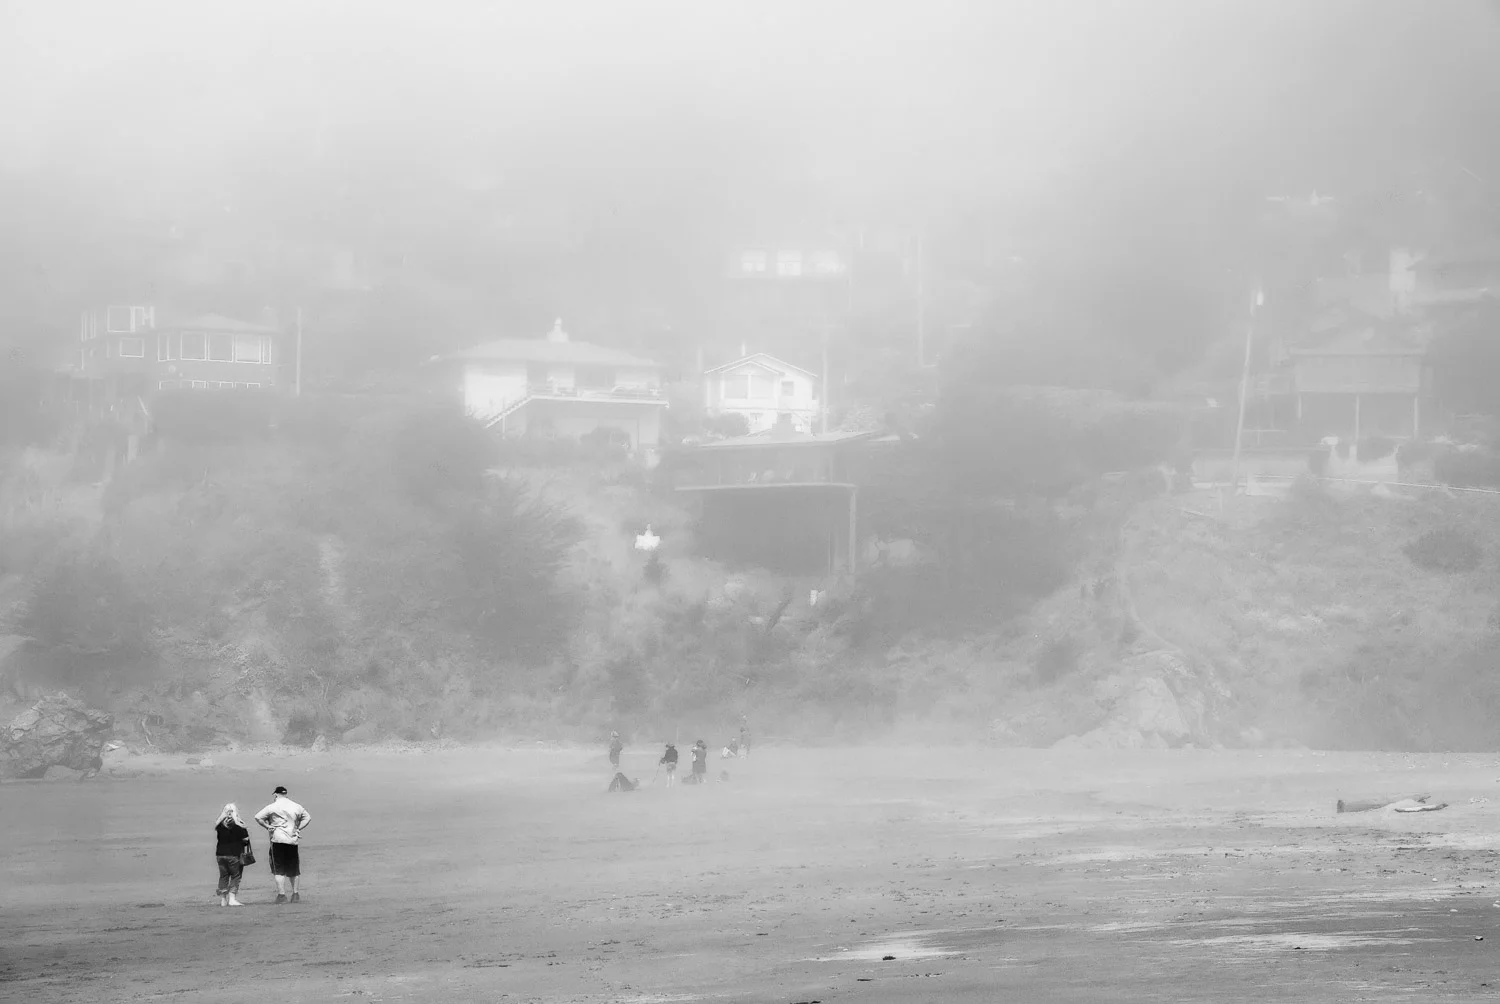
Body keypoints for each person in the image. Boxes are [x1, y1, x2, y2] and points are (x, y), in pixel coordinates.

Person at [255, 785, 311, 905]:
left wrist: (268, 826)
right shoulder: (296, 806)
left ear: (275, 795)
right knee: (294, 869)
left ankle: (282, 895)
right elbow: (307, 818)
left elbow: (258, 817)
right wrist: (298, 828)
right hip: (292, 840)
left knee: (279, 869)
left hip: (278, 840)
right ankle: (295, 894)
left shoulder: (272, 806)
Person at [213, 803, 251, 907]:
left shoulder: (219, 825)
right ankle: (232, 899)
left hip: (220, 854)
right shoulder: (239, 824)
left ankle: (223, 900)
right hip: (234, 854)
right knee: (235, 875)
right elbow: (245, 839)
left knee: (223, 876)